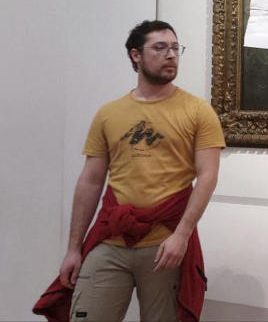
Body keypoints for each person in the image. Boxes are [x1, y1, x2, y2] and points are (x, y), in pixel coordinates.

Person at [35, 20, 224, 322]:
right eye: (160, 47)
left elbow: (208, 176)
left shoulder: (198, 111)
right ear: (136, 55)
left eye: (176, 48)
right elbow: (91, 181)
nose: (171, 54)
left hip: (164, 245)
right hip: (111, 239)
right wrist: (73, 249)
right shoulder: (109, 113)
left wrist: (182, 236)